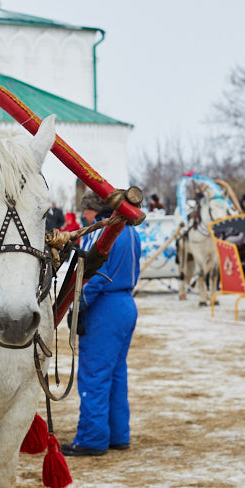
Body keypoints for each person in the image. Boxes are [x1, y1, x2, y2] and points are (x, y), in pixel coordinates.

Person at [63, 191, 141, 457]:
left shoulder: (104, 233)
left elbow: (94, 277)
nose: (83, 215)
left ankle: (92, 438)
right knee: (116, 374)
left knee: (94, 375)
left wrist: (76, 308)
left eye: (85, 210)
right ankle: (118, 434)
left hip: (103, 307)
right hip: (126, 304)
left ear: (95, 210)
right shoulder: (133, 233)